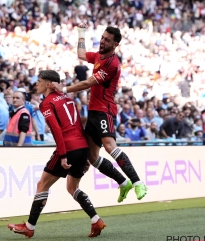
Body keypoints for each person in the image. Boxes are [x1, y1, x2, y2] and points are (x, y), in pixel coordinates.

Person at [51, 24, 147, 202]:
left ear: (115, 44)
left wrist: (63, 89)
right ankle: (122, 182)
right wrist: (81, 33)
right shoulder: (98, 56)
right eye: (102, 38)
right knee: (92, 157)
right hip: (94, 112)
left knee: (110, 146)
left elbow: (88, 83)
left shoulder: (112, 63)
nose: (102, 42)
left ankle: (137, 182)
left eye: (107, 40)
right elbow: (80, 55)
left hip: (105, 110)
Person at [8, 70, 105, 238]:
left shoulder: (47, 103)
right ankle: (96, 220)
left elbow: (56, 130)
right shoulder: (69, 99)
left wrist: (63, 154)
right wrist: (85, 153)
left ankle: (29, 227)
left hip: (68, 147)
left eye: (39, 81)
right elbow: (78, 126)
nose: (36, 84)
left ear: (47, 84)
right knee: (72, 187)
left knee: (42, 185)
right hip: (81, 146)